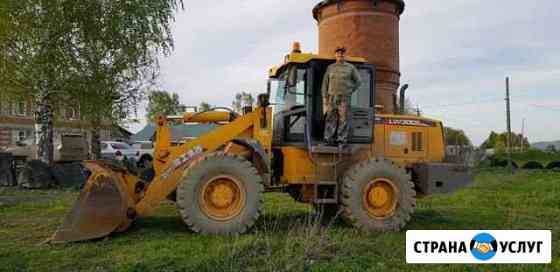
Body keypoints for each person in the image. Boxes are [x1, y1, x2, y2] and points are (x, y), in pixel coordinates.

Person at [321, 46, 362, 145]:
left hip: (344, 98)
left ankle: (341, 140)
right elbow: (325, 83)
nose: (340, 55)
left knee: (343, 119)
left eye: (342, 53)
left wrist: (350, 90)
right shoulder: (330, 68)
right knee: (330, 118)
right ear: (335, 55)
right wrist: (324, 98)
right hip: (332, 97)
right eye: (338, 53)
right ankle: (328, 139)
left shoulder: (350, 68)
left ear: (344, 55)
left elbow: (358, 81)